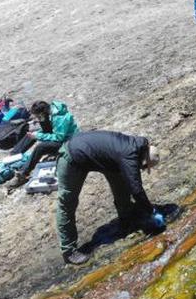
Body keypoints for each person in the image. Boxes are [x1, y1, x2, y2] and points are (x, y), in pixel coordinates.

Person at [56, 130, 163, 265]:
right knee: (67, 204)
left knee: (121, 184)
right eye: (144, 166)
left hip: (100, 157)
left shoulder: (134, 146)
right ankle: (69, 251)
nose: (142, 169)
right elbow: (136, 190)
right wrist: (151, 211)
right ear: (144, 160)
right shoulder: (129, 156)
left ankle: (126, 218)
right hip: (72, 157)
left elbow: (131, 183)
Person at [9, 100, 79, 186]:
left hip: (68, 143)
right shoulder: (50, 113)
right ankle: (14, 154)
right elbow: (49, 129)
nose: (37, 118)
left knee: (40, 147)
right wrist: (37, 133)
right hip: (60, 137)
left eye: (38, 116)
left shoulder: (60, 118)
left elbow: (59, 137)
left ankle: (23, 173)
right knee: (32, 134)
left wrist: (39, 135)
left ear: (42, 113)